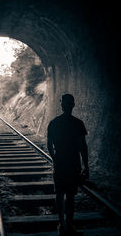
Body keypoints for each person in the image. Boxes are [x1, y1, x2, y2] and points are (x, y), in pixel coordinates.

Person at [47, 94, 89, 236]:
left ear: (61, 105)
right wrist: (86, 166)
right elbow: (83, 146)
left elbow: (49, 144)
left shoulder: (54, 122)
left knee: (59, 193)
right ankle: (69, 225)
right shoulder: (78, 123)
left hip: (60, 163)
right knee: (70, 195)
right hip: (73, 164)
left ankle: (62, 225)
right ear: (73, 105)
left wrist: (54, 158)